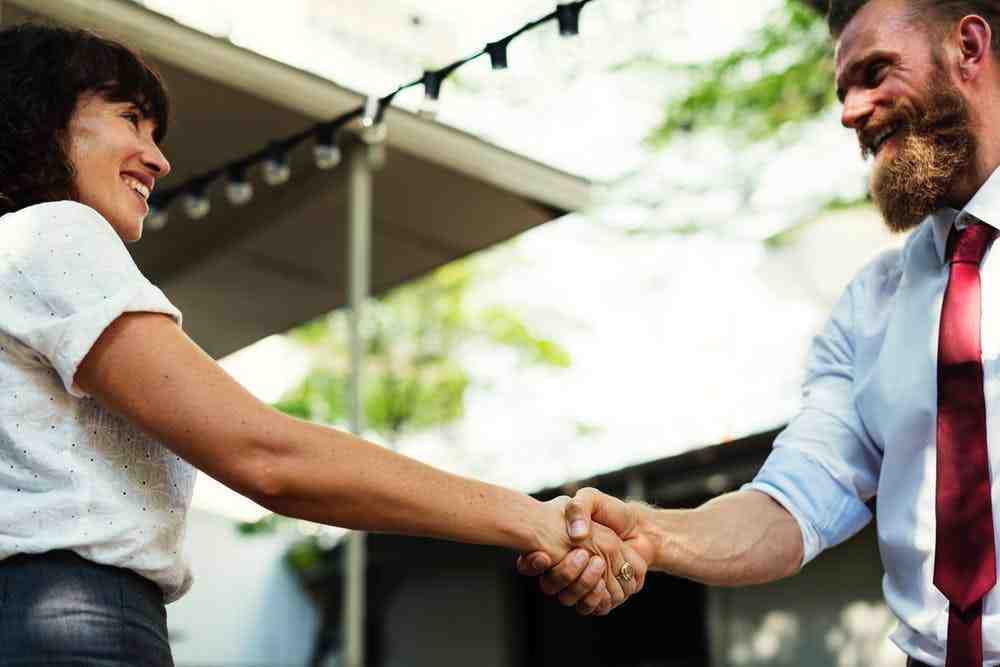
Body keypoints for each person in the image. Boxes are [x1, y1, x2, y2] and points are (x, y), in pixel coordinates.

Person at [0, 23, 646, 665]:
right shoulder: (53, 234)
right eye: (131, 118)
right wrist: (533, 518)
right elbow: (263, 454)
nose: (160, 158)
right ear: (39, 115)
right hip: (67, 624)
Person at [521, 1, 1000, 665]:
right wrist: (653, 532)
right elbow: (791, 504)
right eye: (843, 90)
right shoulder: (871, 306)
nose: (850, 111)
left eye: (875, 73)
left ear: (969, 48)